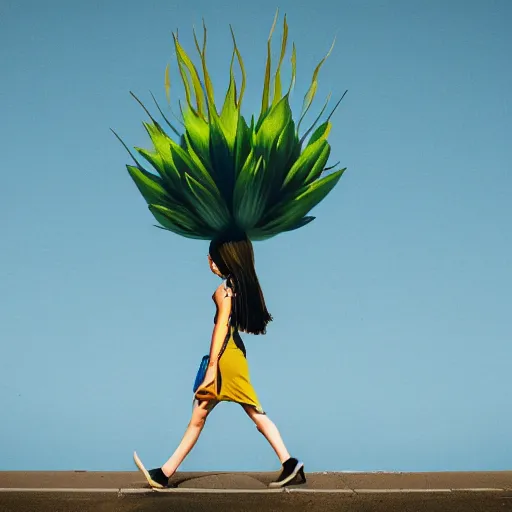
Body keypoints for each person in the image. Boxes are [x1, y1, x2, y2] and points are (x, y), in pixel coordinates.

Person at [133, 234, 305, 489]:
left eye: (213, 257)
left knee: (240, 412)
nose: (209, 261)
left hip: (225, 357)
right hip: (235, 354)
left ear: (225, 259)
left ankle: (290, 463)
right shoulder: (239, 287)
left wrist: (212, 368)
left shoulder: (225, 290)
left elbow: (221, 327)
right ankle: (164, 473)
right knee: (206, 413)